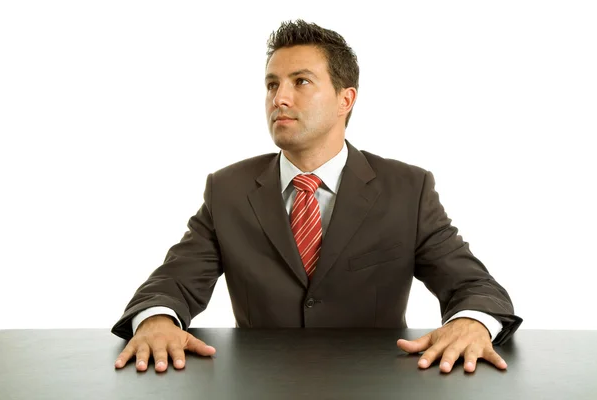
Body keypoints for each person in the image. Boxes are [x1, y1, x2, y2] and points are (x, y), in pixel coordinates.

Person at [112, 19, 522, 374]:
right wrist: (157, 320)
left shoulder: (407, 189)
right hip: (257, 386)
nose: (279, 98)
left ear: (346, 99)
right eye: (272, 84)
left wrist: (472, 323)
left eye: (300, 82)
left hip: (376, 385)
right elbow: (172, 282)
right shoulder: (228, 190)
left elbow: (473, 286)